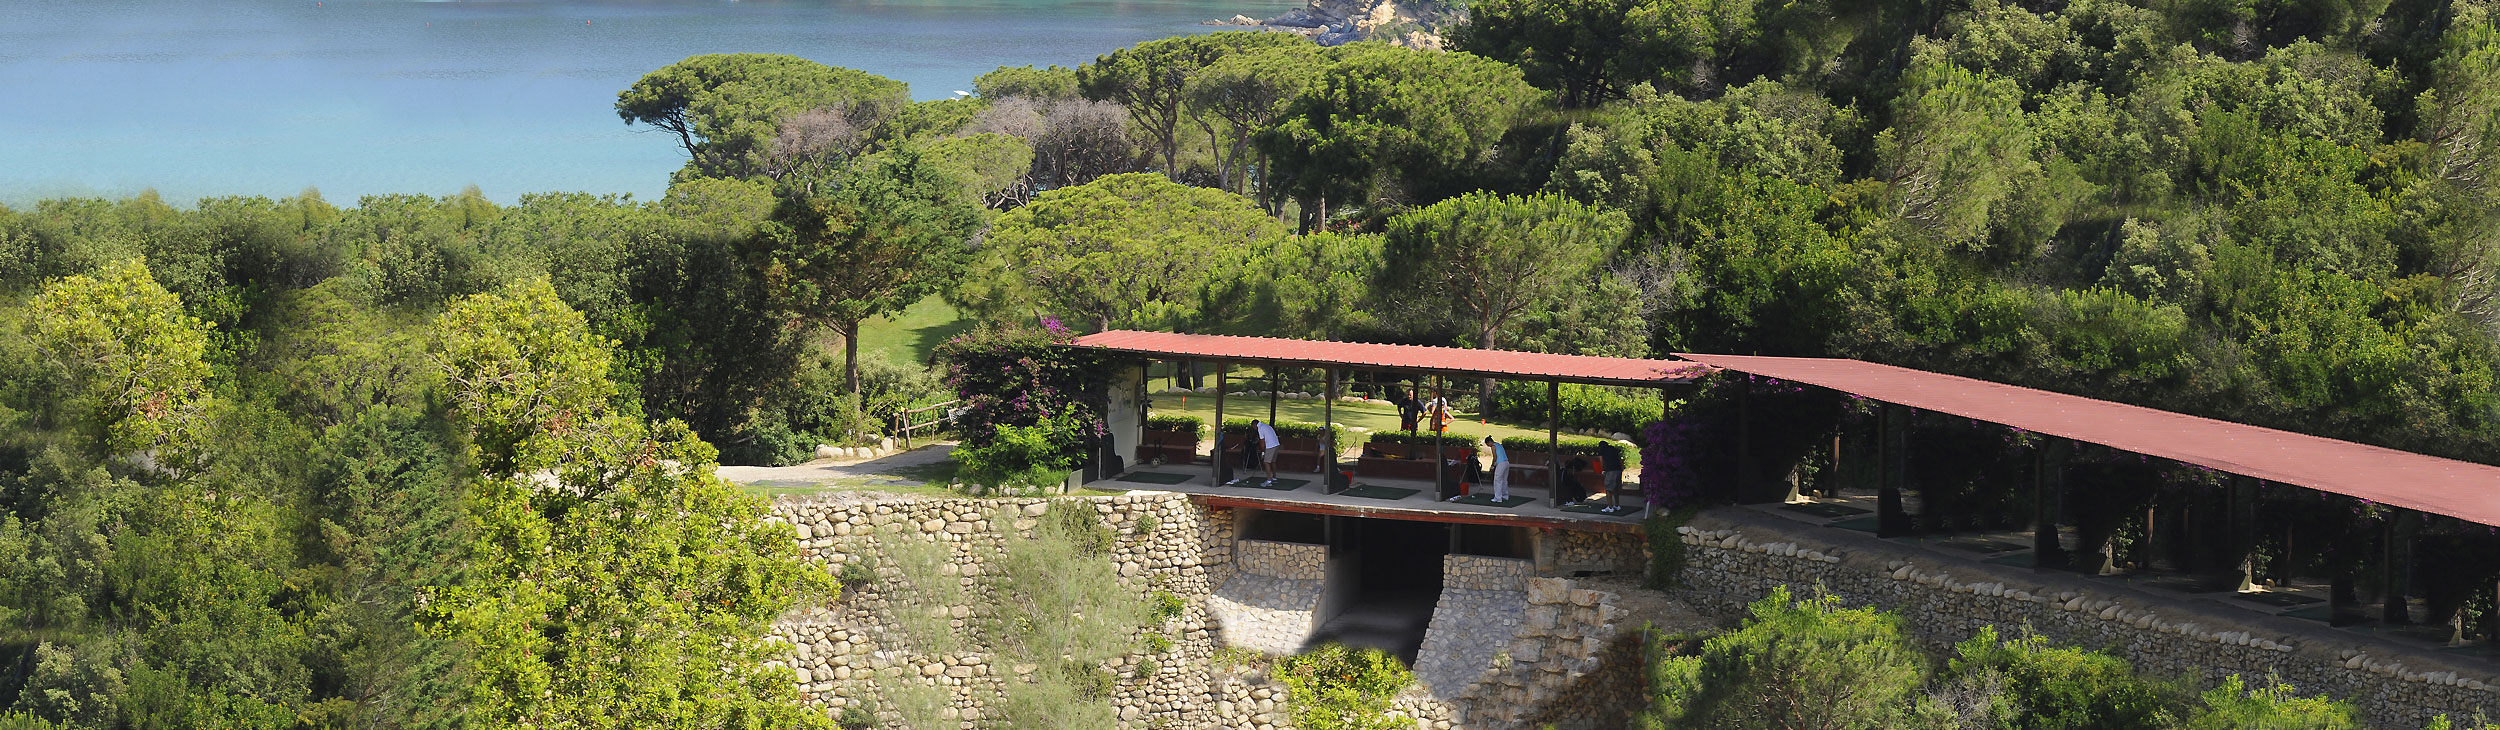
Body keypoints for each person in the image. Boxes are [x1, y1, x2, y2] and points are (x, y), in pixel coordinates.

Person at [1477, 436, 1509, 502]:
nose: (1488, 446)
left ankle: (1498, 498)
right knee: (1504, 480)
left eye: (1487, 444)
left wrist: (1492, 465)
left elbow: (1495, 457)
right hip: (1506, 463)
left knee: (1497, 480)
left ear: (1489, 442)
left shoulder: (1493, 446)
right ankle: (1505, 496)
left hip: (1501, 464)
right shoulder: (1498, 444)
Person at [1253, 419, 1282, 486]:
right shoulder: (1266, 425)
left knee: (1266, 462)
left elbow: (1262, 441)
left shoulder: (1260, 428)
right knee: (1273, 461)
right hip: (1276, 444)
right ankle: (1274, 477)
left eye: (1253, 427)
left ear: (1255, 425)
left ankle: (1269, 480)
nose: (1254, 429)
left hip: (1271, 446)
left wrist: (1262, 452)